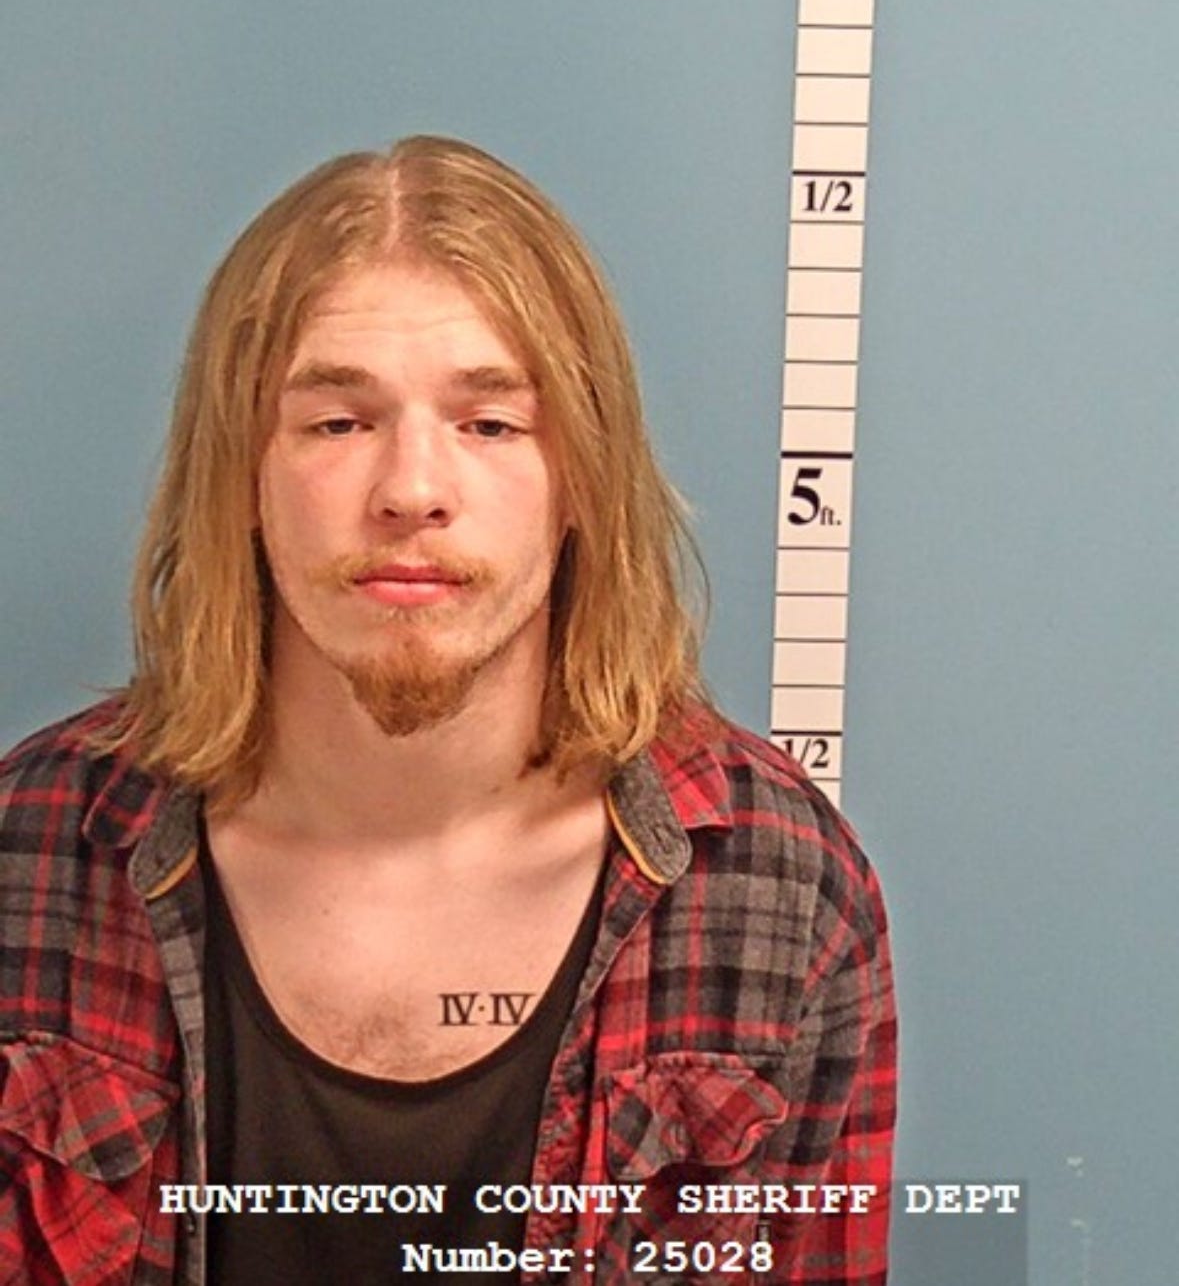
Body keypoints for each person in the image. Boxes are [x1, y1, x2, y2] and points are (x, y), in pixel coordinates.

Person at [0, 136, 896, 1285]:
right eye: (338, 423)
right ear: (242, 477)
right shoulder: (33, 853)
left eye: (490, 423)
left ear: (582, 483)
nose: (413, 491)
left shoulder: (777, 886)